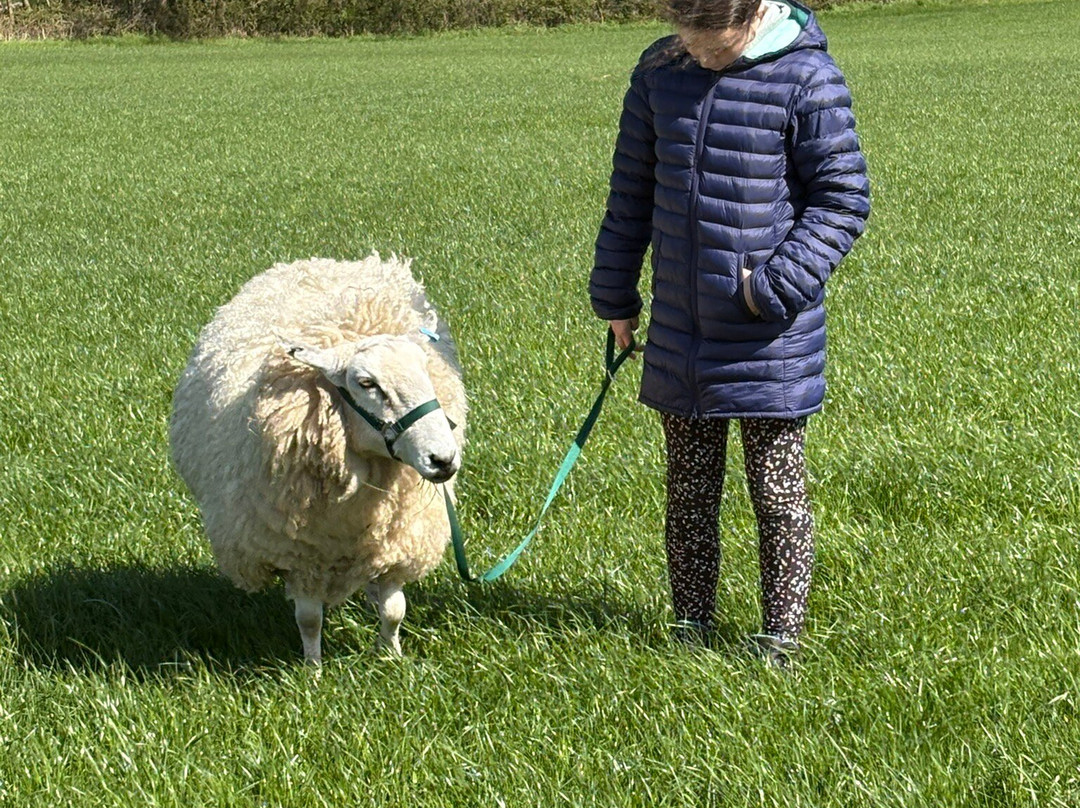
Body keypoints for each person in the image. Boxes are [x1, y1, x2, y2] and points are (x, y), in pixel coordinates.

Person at [590, 0, 870, 667]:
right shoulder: (660, 70)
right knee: (687, 490)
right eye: (690, 42)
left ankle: (780, 636)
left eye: (715, 45)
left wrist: (767, 290)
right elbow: (630, 191)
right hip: (681, 334)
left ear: (753, 14)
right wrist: (614, 297)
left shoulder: (808, 78)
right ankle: (692, 627)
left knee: (776, 495)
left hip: (767, 335)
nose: (701, 55)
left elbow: (844, 198)